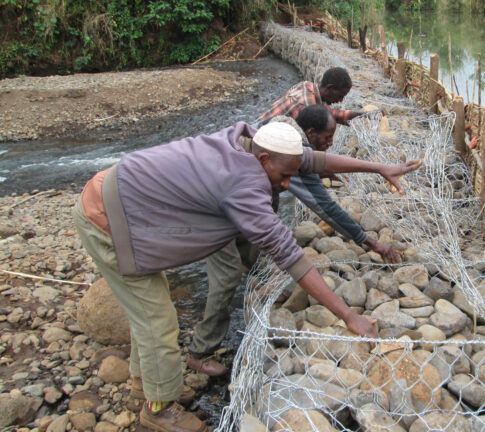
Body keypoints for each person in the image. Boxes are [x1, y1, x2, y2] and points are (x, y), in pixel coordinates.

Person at [73, 121, 421, 432]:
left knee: (152, 305)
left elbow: (312, 160)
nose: (287, 185)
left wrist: (378, 167)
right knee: (157, 321)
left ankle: (144, 384)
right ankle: (158, 411)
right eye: (283, 177)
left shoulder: (252, 141)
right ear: (264, 161)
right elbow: (292, 258)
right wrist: (349, 316)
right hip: (109, 217)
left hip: (127, 195)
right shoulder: (242, 188)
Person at [186, 103, 402, 377]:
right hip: (214, 211)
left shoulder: (284, 136)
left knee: (250, 254)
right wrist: (350, 311)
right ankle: (200, 350)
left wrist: (379, 168)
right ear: (311, 133)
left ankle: (246, 291)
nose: (331, 143)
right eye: (327, 138)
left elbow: (320, 162)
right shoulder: (286, 158)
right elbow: (325, 211)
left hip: (232, 203)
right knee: (227, 273)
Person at [255, 66, 363, 126]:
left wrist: (365, 115)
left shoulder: (307, 86)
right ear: (329, 88)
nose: (340, 101)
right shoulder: (306, 106)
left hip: (254, 129)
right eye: (340, 96)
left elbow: (334, 114)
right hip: (255, 139)